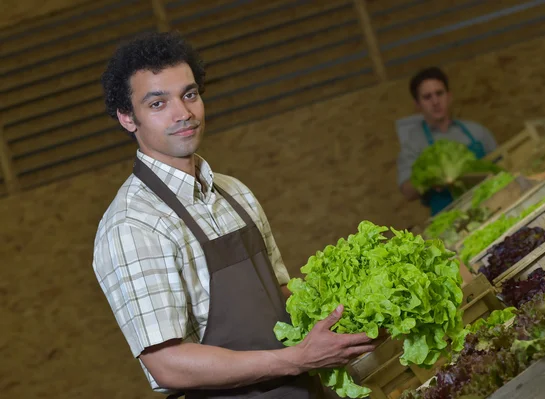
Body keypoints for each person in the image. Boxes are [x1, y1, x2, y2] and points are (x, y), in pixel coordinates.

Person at [91, 32, 376, 399]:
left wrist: (349, 311)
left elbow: (279, 294)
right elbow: (166, 363)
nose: (183, 114)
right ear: (128, 118)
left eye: (189, 94)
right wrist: (297, 359)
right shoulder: (132, 225)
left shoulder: (234, 192)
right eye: (158, 104)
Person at [396, 67, 498, 216]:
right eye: (427, 97)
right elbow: (407, 191)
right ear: (417, 104)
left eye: (439, 93)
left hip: (493, 206)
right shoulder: (413, 145)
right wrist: (430, 178)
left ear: (449, 96)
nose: (435, 101)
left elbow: (501, 165)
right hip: (450, 220)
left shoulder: (476, 132)